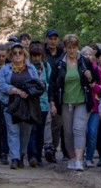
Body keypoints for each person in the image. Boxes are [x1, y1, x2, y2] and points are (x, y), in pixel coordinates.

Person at [51, 34, 94, 171]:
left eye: (74, 47)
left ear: (77, 48)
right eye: (69, 48)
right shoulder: (59, 64)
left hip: (82, 100)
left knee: (78, 129)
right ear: (64, 48)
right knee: (68, 132)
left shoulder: (84, 62)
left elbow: (95, 79)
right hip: (65, 102)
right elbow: (52, 85)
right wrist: (52, 103)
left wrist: (90, 76)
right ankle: (71, 157)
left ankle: (79, 160)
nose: (71, 51)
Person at [0, 41, 42, 169]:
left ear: (24, 55)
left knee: (26, 132)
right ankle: (15, 158)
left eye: (20, 53)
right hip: (10, 104)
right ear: (10, 56)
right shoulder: (5, 69)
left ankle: (22, 154)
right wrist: (16, 91)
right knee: (13, 131)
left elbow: (37, 84)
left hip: (28, 105)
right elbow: (1, 85)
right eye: (14, 53)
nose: (17, 55)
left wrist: (28, 92)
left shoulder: (31, 69)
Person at [26, 42, 51, 167]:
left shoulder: (46, 66)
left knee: (40, 131)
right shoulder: (27, 66)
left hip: (43, 103)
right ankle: (32, 155)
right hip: (30, 103)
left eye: (38, 55)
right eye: (34, 56)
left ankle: (39, 156)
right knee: (32, 130)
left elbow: (50, 83)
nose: (36, 58)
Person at [83, 47, 101, 167]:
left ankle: (89, 157)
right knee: (85, 132)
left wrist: (93, 85)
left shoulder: (96, 70)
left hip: (95, 105)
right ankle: (80, 154)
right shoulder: (78, 68)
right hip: (82, 104)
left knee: (93, 132)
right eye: (85, 54)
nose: (88, 56)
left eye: (90, 54)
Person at [43, 29, 65, 162]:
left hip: (59, 92)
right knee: (45, 121)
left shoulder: (62, 54)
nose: (52, 41)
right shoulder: (42, 54)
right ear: (46, 39)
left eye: (55, 39)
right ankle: (45, 147)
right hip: (44, 91)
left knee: (57, 124)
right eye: (50, 38)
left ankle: (53, 148)